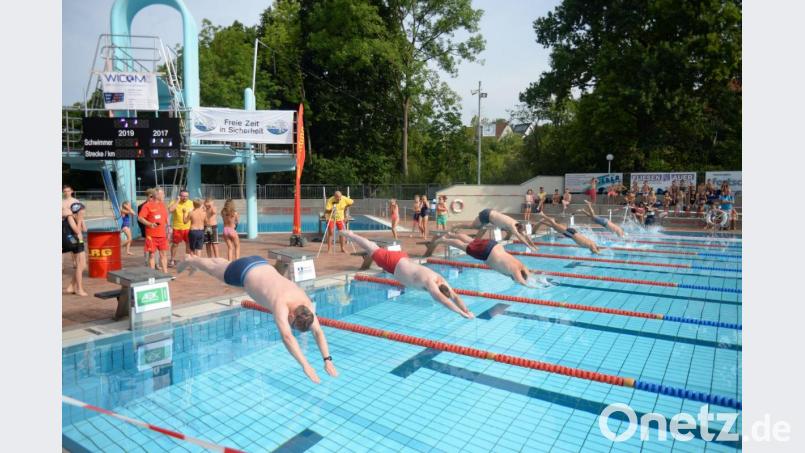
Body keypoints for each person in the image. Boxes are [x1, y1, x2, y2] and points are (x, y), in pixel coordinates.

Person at [177, 255, 339, 383]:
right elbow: (287, 337)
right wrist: (306, 365)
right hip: (243, 271)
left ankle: (197, 260)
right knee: (213, 270)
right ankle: (192, 260)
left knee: (223, 265)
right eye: (293, 325)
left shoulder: (305, 305)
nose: (292, 328)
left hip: (260, 262)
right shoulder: (281, 305)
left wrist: (327, 359)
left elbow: (318, 332)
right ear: (291, 316)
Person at [343, 231, 474, 318]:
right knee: (372, 248)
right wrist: (460, 313)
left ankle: (351, 235)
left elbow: (454, 296)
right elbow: (444, 301)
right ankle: (350, 234)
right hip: (395, 263)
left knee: (373, 250)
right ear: (437, 291)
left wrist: (466, 310)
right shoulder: (430, 283)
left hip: (400, 263)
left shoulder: (441, 281)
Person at [435, 232, 534, 286]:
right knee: (462, 246)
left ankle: (451, 234)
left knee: (471, 240)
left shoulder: (521, 265)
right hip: (486, 252)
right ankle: (443, 240)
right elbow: (521, 282)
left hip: (494, 245)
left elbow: (528, 275)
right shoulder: (514, 271)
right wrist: (533, 287)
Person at [451, 208, 539, 252]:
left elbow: (526, 236)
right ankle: (456, 225)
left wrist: (534, 246)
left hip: (490, 216)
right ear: (518, 229)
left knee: (480, 231)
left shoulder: (517, 224)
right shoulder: (513, 226)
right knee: (473, 227)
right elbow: (520, 238)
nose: (520, 233)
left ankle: (471, 240)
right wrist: (529, 246)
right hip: (487, 215)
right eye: (519, 232)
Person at [138, 188, 170, 273]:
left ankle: (165, 273)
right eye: (162, 194)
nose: (163, 195)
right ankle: (152, 274)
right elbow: (140, 218)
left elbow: (165, 217)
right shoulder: (147, 205)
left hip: (162, 235)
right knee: (152, 255)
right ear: (156, 195)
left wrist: (169, 227)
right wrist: (150, 224)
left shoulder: (163, 205)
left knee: (164, 254)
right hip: (151, 235)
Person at [63, 202, 87, 296]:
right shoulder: (70, 217)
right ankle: (79, 289)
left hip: (78, 241)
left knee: (83, 266)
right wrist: (80, 219)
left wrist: (81, 219)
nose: (84, 213)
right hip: (71, 241)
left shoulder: (78, 217)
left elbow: (84, 230)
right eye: (82, 211)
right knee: (79, 265)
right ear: (78, 210)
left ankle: (71, 286)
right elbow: (76, 231)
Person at [168, 190, 194, 267]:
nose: (185, 197)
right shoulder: (175, 202)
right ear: (180, 195)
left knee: (188, 244)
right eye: (183, 196)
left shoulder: (191, 203)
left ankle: (187, 260)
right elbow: (170, 210)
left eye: (186, 196)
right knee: (175, 244)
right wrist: (177, 201)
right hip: (177, 227)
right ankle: (172, 259)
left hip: (188, 228)